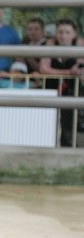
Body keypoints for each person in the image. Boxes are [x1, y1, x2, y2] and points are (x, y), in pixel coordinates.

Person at [39, 19, 83, 147]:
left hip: (72, 92)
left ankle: (66, 148)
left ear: (74, 34)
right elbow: (44, 69)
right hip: (51, 91)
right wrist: (69, 72)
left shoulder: (79, 46)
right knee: (49, 122)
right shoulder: (50, 46)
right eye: (60, 32)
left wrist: (62, 72)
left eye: (67, 32)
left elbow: (80, 69)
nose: (63, 35)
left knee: (68, 123)